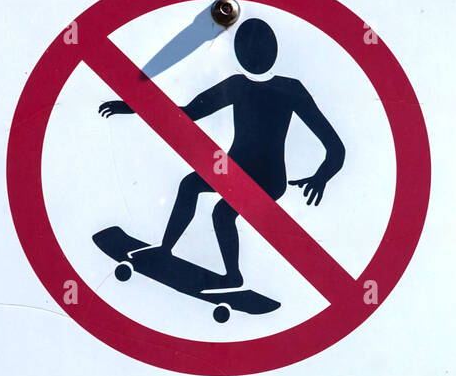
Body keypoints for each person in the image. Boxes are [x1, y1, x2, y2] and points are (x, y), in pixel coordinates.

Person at [99, 18, 345, 290]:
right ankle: (165, 249)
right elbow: (187, 114)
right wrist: (134, 105)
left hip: (268, 180)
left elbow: (335, 147)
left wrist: (322, 177)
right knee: (190, 185)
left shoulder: (288, 90)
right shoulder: (244, 86)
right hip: (234, 169)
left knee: (222, 213)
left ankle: (233, 276)